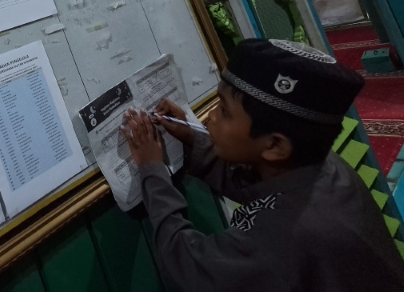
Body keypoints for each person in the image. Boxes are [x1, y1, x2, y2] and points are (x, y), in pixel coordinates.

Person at [120, 38, 404, 292]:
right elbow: (253, 183)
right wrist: (194, 139)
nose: (211, 119)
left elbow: (190, 266)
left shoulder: (289, 235)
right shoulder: (320, 166)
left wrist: (152, 168)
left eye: (224, 111)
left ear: (275, 146)